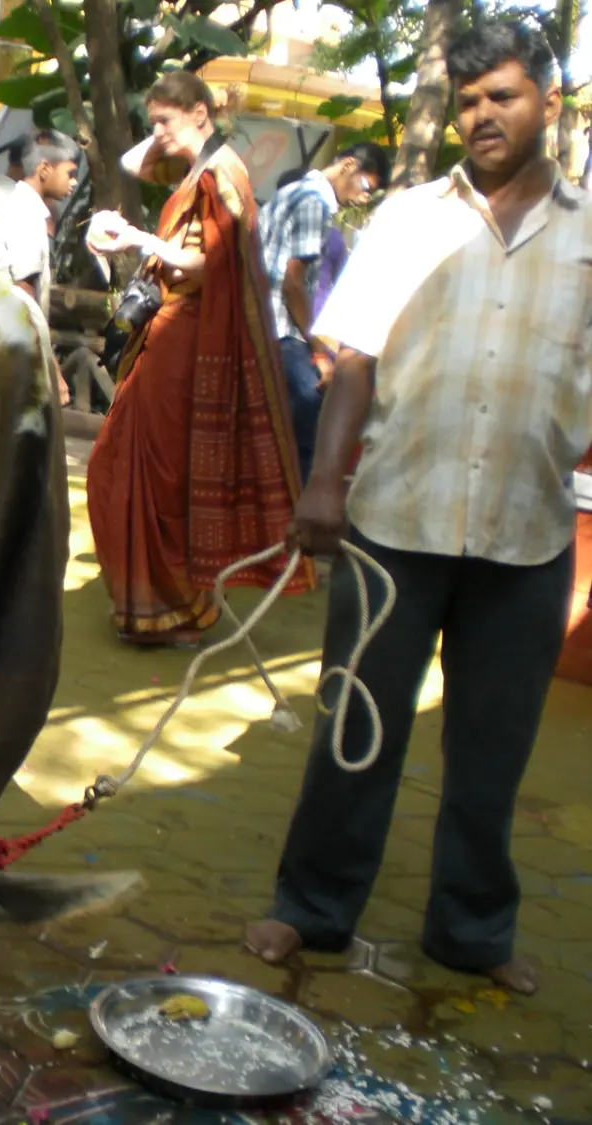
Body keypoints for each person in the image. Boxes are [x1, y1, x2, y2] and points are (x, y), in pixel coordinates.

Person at [245, 21, 587, 997]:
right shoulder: (406, 216)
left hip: (528, 538)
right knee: (355, 728)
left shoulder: (590, 233)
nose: (481, 115)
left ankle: (474, 932)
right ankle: (312, 909)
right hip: (396, 521)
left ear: (548, 104)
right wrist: (324, 479)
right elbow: (354, 355)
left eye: (503, 97)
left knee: (493, 752)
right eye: (468, 99)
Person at [83, 72, 313, 648]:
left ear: (202, 116)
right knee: (128, 467)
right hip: (168, 333)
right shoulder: (197, 167)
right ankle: (163, 605)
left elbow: (217, 266)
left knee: (153, 473)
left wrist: (140, 241)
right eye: (154, 122)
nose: (156, 134)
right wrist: (162, 134)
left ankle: (175, 608)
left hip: (188, 333)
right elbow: (135, 164)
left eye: (166, 121)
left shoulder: (221, 176)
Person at [257, 143, 390, 481]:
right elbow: (293, 283)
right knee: (316, 429)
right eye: (366, 187)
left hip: (261, 326)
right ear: (347, 165)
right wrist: (319, 350)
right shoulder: (315, 204)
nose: (364, 198)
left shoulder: (288, 191)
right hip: (284, 333)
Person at [0, 128, 78, 309]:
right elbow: (25, 288)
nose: (73, 182)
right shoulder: (27, 211)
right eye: (69, 174)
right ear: (44, 169)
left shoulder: (14, 201)